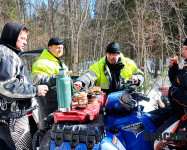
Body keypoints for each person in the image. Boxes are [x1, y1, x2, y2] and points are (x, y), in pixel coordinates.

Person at [0, 23, 48, 150]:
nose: (25, 42)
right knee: (22, 147)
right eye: (22, 38)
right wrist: (35, 90)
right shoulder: (7, 55)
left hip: (9, 116)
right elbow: (6, 87)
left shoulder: (7, 53)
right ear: (12, 36)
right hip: (12, 118)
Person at [152, 39, 187, 149]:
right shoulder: (186, 68)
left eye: (186, 49)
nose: (182, 52)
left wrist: (171, 92)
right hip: (176, 111)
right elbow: (180, 84)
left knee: (156, 142)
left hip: (184, 119)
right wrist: (174, 70)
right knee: (148, 120)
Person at [74, 42, 144, 94]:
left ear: (119, 55)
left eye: (114, 54)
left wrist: (137, 78)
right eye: (109, 54)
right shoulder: (100, 65)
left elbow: (140, 74)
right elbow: (90, 74)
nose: (111, 57)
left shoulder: (129, 64)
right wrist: (81, 81)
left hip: (125, 99)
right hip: (105, 101)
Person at [31, 37, 68, 129]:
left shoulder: (59, 63)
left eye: (62, 48)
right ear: (49, 48)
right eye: (57, 47)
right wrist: (56, 77)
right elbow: (36, 81)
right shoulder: (41, 63)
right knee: (47, 132)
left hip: (61, 103)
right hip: (48, 105)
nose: (60, 50)